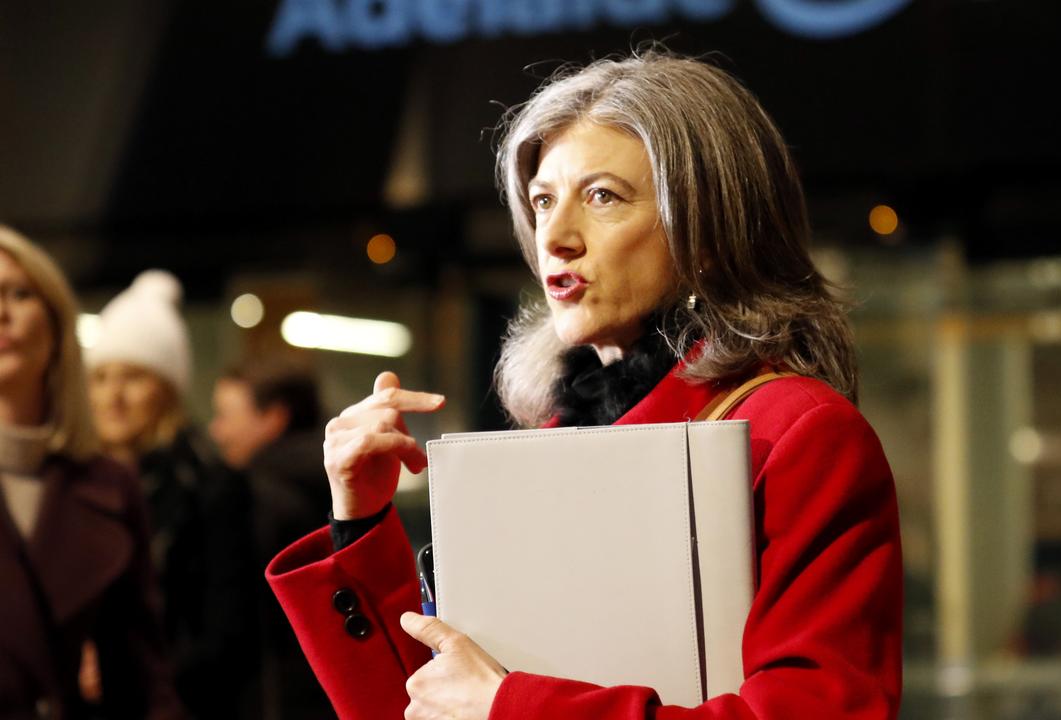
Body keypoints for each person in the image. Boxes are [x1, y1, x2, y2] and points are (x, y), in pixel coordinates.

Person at [267, 50, 903, 720]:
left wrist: (513, 706)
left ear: (710, 231)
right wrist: (360, 519)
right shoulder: (557, 439)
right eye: (542, 200)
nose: (556, 237)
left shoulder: (797, 432)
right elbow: (419, 706)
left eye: (603, 196)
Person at [0, 225, 184, 719]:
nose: (2, 312)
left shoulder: (107, 486)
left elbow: (142, 677)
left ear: (57, 325)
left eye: (19, 293)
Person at [85, 270, 257, 719]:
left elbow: (228, 636)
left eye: (133, 378)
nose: (113, 396)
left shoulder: (209, 485)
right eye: (100, 378)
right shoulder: (77, 485)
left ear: (166, 390)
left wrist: (126, 676)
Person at [208, 357, 335, 720]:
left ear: (274, 418)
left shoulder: (256, 495)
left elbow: (238, 625)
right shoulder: (342, 486)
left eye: (227, 416)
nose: (217, 431)